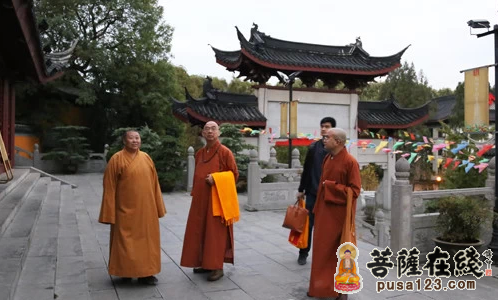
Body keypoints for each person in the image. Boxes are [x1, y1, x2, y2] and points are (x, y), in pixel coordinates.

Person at [99, 130, 166, 285]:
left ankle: (147, 274)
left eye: (137, 138)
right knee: (125, 242)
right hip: (124, 210)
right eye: (131, 138)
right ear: (124, 141)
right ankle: (126, 272)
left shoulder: (146, 158)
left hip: (146, 210)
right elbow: (109, 187)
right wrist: (109, 213)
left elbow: (155, 184)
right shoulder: (116, 159)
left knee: (147, 244)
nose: (135, 141)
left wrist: (158, 207)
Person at [180, 121, 239, 282]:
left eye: (213, 129)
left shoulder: (225, 152)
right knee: (200, 231)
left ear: (219, 132)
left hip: (217, 201)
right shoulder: (200, 153)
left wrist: (216, 178)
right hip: (200, 200)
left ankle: (217, 266)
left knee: (215, 234)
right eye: (207, 129)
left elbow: (234, 175)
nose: (210, 131)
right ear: (203, 134)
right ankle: (204, 263)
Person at [308, 128, 361, 300]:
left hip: (339, 215)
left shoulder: (350, 162)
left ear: (337, 141)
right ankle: (322, 288)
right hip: (324, 212)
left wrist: (331, 186)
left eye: (327, 137)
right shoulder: (327, 158)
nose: (323, 140)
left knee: (340, 252)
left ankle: (341, 291)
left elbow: (355, 190)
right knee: (321, 252)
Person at [296, 117, 336, 265]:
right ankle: (303, 253)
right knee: (308, 225)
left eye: (327, 127)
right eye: (322, 126)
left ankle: (323, 255)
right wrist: (301, 189)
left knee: (325, 228)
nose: (324, 129)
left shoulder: (336, 150)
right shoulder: (313, 148)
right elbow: (306, 170)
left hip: (328, 196)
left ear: (333, 130)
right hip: (313, 193)